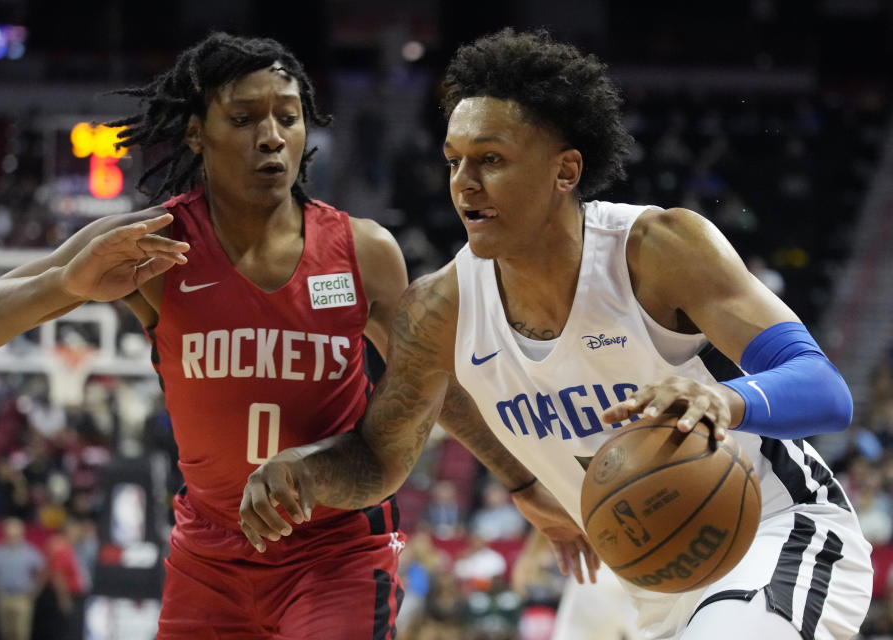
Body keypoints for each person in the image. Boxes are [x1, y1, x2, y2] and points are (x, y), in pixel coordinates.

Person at [0, 32, 593, 639]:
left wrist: (525, 484)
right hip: (208, 554)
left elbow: (433, 388)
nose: (272, 136)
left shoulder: (361, 251)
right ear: (196, 134)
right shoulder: (152, 244)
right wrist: (68, 285)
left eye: (287, 115)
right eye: (245, 118)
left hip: (334, 547)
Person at [239, 29, 874, 640]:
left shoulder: (656, 250)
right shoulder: (437, 309)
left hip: (776, 531)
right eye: (455, 161)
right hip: (650, 580)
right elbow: (379, 459)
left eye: (491, 159)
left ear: (565, 171)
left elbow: (825, 389)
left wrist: (725, 402)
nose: (464, 183)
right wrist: (301, 471)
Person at [0, 518, 46, 640]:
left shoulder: (30, 551)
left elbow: (41, 572)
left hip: (22, 597)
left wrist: (35, 590)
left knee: (21, 633)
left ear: (21, 533)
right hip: (3, 596)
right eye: (8, 533)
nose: (11, 536)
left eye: (15, 533)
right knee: (5, 633)